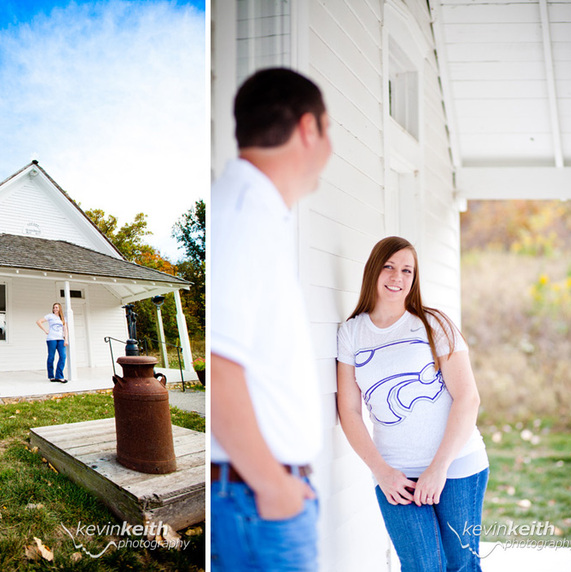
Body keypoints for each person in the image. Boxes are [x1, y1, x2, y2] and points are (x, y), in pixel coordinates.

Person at [211, 67, 332, 571]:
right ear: (309, 128)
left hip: (259, 497)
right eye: (330, 131)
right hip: (256, 505)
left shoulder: (255, 212)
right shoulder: (244, 216)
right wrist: (274, 487)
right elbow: (217, 368)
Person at [336, 236, 489, 571]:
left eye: (407, 270)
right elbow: (349, 411)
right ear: (374, 270)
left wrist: (439, 468)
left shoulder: (434, 324)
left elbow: (468, 398)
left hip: (458, 466)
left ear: (414, 279)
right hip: (396, 475)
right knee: (421, 565)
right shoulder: (351, 333)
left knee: (460, 563)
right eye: (389, 266)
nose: (397, 277)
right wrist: (381, 471)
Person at [37, 302, 69, 383]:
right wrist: (45, 330)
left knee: (63, 356)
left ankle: (59, 376)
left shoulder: (63, 318)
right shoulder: (50, 316)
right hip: (51, 339)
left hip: (61, 339)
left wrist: (66, 339)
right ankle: (51, 376)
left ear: (60, 309)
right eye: (54, 307)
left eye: (57, 307)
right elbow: (39, 321)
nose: (55, 309)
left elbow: (65, 329)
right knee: (51, 357)